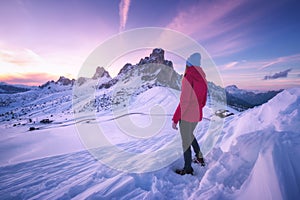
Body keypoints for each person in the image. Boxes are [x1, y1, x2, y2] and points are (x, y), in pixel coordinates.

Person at [172, 52, 208, 175]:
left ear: (188, 64)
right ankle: (199, 157)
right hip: (197, 115)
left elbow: (184, 102)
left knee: (186, 141)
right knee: (190, 135)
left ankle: (188, 168)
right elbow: (203, 100)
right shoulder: (203, 77)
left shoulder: (188, 77)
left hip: (186, 115)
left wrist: (175, 118)